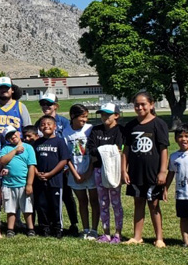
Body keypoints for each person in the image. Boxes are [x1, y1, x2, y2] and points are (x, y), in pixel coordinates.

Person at [123, 92, 170, 248]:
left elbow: (163, 149)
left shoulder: (159, 124)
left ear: (151, 104)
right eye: (137, 104)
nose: (140, 107)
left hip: (153, 172)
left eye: (143, 104)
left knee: (154, 204)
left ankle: (159, 238)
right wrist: (124, 170)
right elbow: (126, 151)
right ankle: (137, 237)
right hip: (136, 172)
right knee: (138, 203)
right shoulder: (130, 126)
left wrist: (163, 171)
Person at [38, 92, 80, 235]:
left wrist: (69, 165)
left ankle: (73, 223)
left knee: (67, 196)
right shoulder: (41, 123)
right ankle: (49, 224)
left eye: (49, 104)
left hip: (65, 165)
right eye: (43, 104)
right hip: (48, 165)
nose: (45, 106)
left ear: (56, 105)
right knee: (48, 197)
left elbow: (69, 141)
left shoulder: (64, 122)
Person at [88, 103, 125, 243]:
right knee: (103, 202)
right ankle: (106, 233)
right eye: (102, 114)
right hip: (99, 169)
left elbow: (120, 148)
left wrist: (103, 149)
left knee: (116, 202)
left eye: (108, 114)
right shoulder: (96, 130)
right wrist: (109, 150)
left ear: (116, 115)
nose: (104, 117)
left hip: (115, 170)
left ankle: (117, 233)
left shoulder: (121, 130)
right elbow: (91, 148)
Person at [32, 116, 71, 238]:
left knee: (55, 205)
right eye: (43, 124)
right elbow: (32, 161)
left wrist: (51, 173)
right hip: (39, 180)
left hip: (55, 180)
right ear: (39, 128)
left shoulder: (59, 141)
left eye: (49, 124)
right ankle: (44, 227)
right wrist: (37, 173)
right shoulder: (37, 143)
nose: (46, 126)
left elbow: (64, 160)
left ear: (55, 127)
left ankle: (57, 227)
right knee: (42, 205)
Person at [64, 104, 99, 239]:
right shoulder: (66, 132)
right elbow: (66, 156)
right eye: (82, 117)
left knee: (94, 201)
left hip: (90, 171)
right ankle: (85, 229)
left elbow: (94, 153)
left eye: (86, 117)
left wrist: (89, 171)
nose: (85, 120)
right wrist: (75, 174)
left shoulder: (90, 129)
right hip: (75, 173)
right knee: (82, 201)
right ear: (73, 116)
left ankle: (94, 230)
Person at [0, 129, 36, 237]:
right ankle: (10, 228)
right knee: (11, 208)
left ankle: (30, 228)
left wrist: (29, 184)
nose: (13, 137)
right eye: (9, 136)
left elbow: (31, 166)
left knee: (27, 208)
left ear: (18, 133)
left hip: (23, 183)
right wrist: (14, 151)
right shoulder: (6, 148)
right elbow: (2, 161)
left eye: (14, 133)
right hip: (9, 184)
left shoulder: (28, 148)